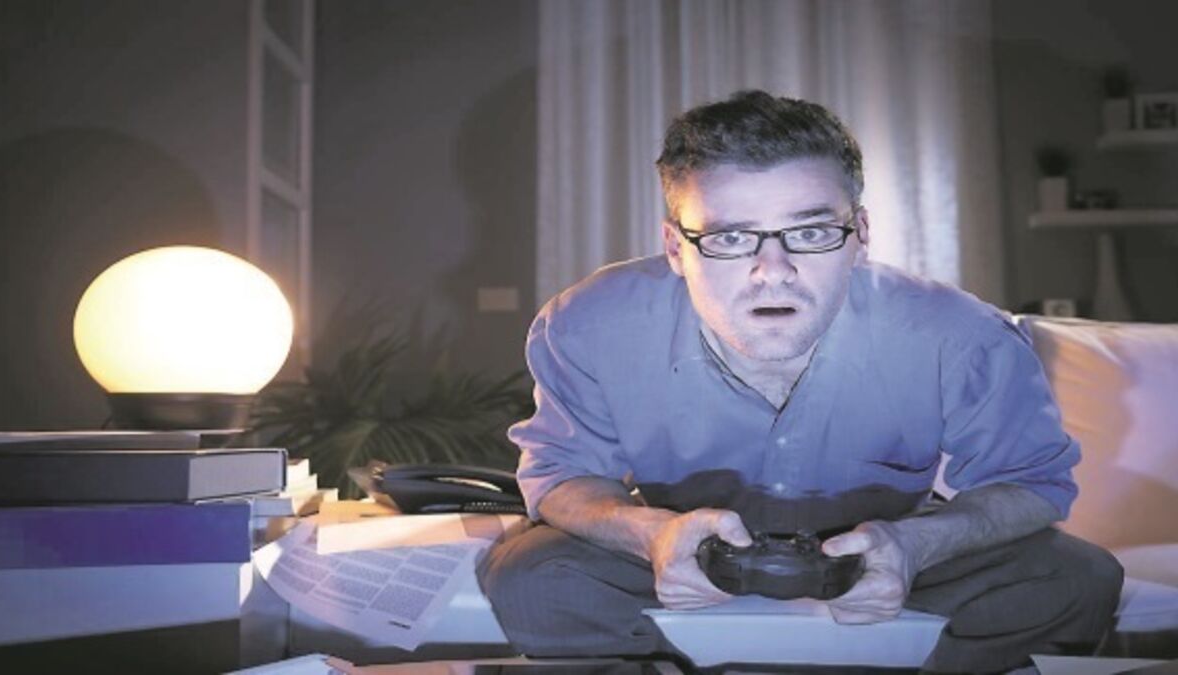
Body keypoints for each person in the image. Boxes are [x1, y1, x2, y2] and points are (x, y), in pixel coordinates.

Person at [478, 90, 1123, 674]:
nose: (773, 270)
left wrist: (916, 544)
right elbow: (562, 476)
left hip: (889, 552)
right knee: (532, 576)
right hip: (679, 552)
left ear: (860, 235)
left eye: (810, 232)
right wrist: (650, 535)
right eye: (731, 238)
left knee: (1077, 580)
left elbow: (1032, 483)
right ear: (676, 248)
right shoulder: (589, 324)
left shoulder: (962, 335)